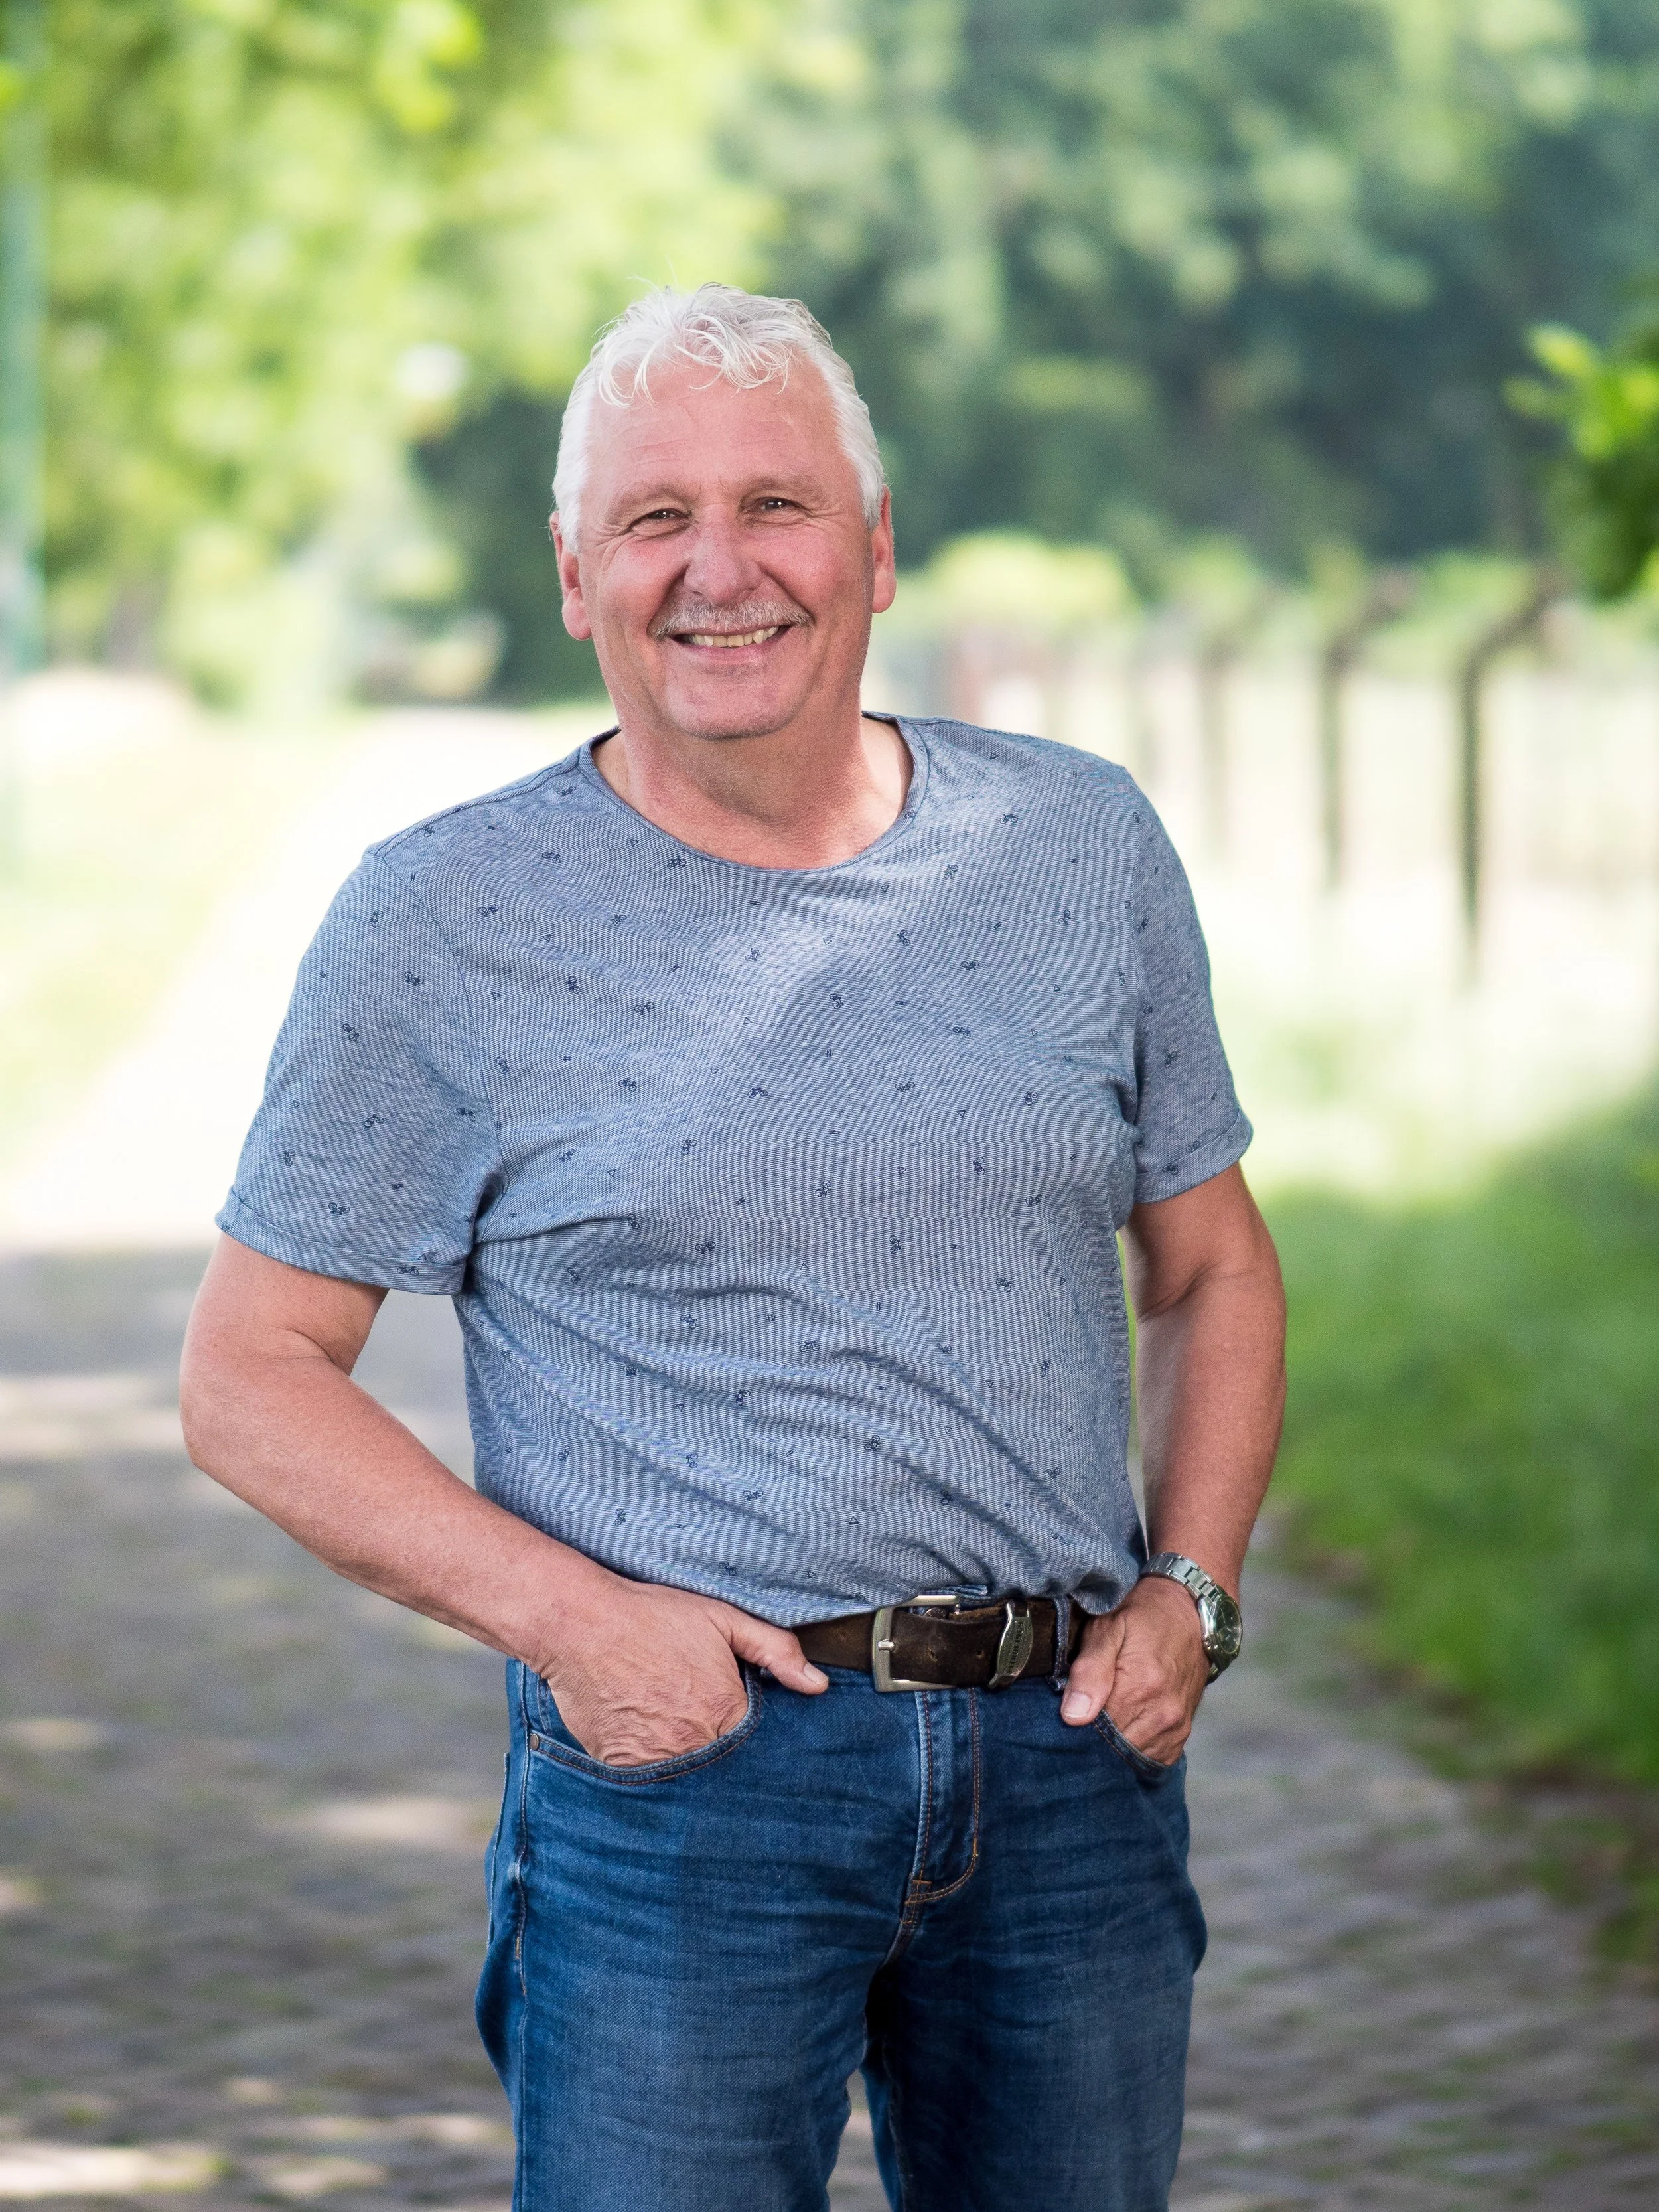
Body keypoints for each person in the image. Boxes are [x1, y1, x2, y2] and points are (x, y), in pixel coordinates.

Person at [180, 282, 1286, 2212]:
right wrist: (571, 1626)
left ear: (871, 546)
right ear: (573, 572)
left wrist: (1190, 1588)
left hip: (1065, 1767)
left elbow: (1208, 1263)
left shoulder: (1078, 849)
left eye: (774, 507)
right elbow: (248, 1374)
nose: (718, 570)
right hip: (684, 1790)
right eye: (652, 517)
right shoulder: (440, 920)